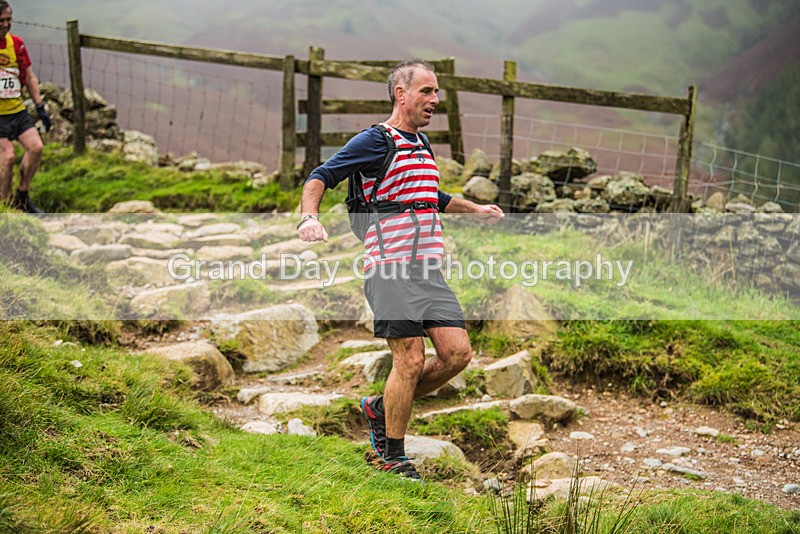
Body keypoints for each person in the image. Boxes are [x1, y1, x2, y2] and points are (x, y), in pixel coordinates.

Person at [298, 58, 504, 480]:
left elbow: (432, 196)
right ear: (401, 94)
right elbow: (320, 175)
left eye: (436, 92)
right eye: (427, 91)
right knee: (409, 360)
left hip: (428, 268)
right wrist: (308, 216)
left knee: (457, 354)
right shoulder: (376, 141)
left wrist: (474, 208)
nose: (435, 99)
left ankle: (380, 406)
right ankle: (392, 455)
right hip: (389, 265)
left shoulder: (422, 145)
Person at [0, 0, 51, 214]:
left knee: (36, 147)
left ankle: (22, 196)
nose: (5, 24)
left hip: (17, 111)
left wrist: (40, 107)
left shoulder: (17, 44)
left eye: (8, 20)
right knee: (8, 156)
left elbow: (29, 76)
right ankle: (4, 206)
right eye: (0, 20)